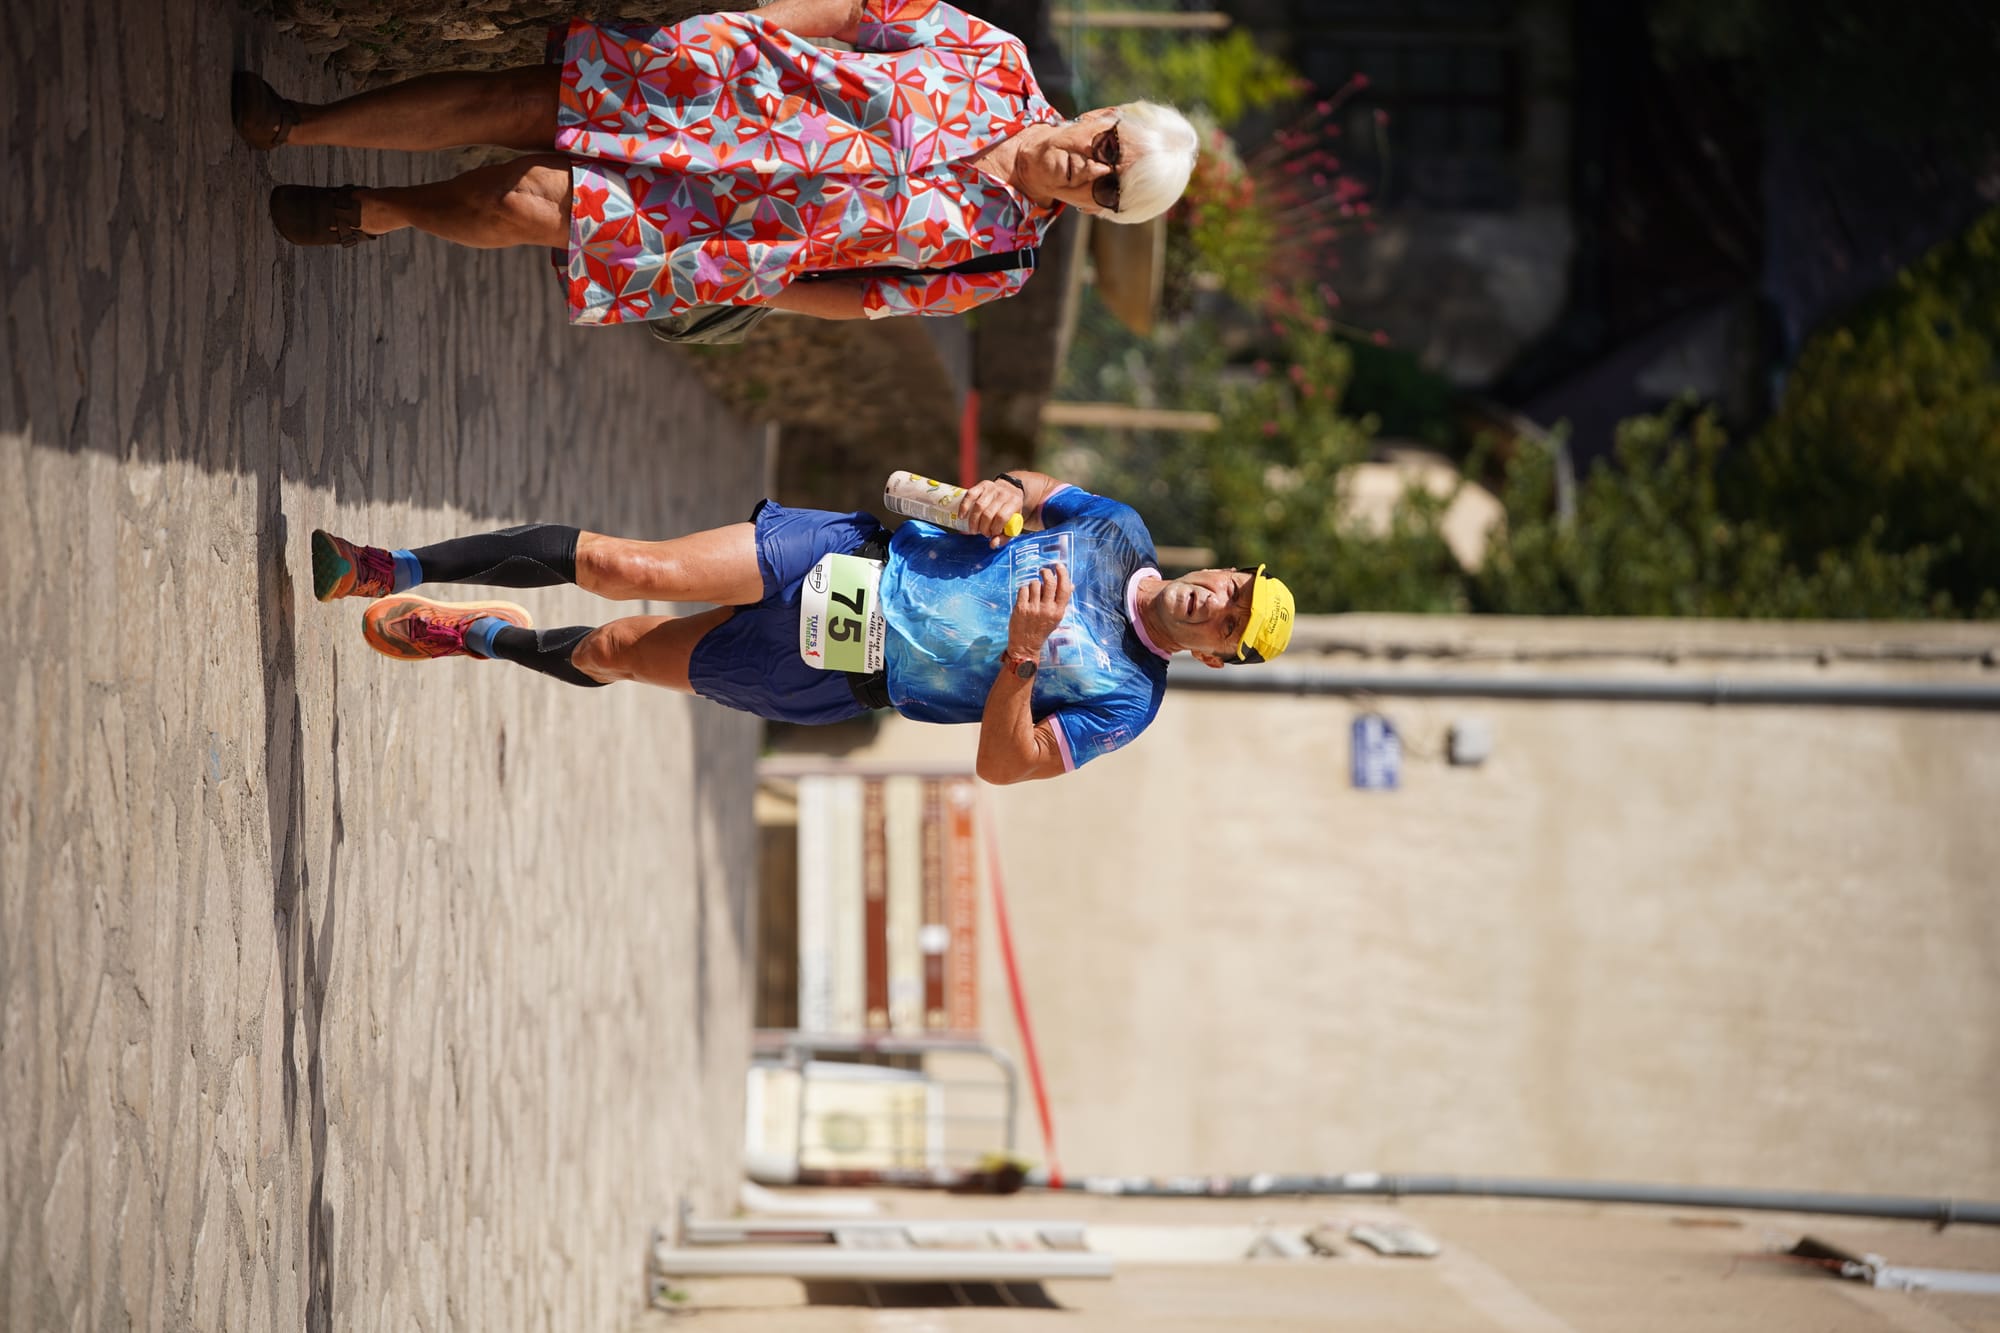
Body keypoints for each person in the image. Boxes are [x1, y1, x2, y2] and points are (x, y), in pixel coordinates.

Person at [232, 0, 1198, 323]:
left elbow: (865, 299)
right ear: (1106, 115)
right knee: (509, 105)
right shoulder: (994, 55)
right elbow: (855, 13)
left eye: (1112, 191)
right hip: (717, 94)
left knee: (523, 203)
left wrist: (749, 287)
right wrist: (742, 25)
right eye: (1108, 149)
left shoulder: (1001, 261)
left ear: (1103, 213)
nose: (1092, 169)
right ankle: (299, 124)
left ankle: (372, 211)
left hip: (720, 232)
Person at [308, 471, 1294, 783]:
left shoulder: (1126, 700)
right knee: (629, 568)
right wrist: (1002, 487)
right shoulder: (1119, 529)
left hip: (839, 669)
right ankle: (386, 567)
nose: (1215, 603)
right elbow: (1039, 490)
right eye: (1231, 588)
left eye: (1230, 625)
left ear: (1217, 656)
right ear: (1221, 569)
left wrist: (1023, 661)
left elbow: (1005, 764)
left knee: (615, 652)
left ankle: (482, 636)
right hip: (849, 557)